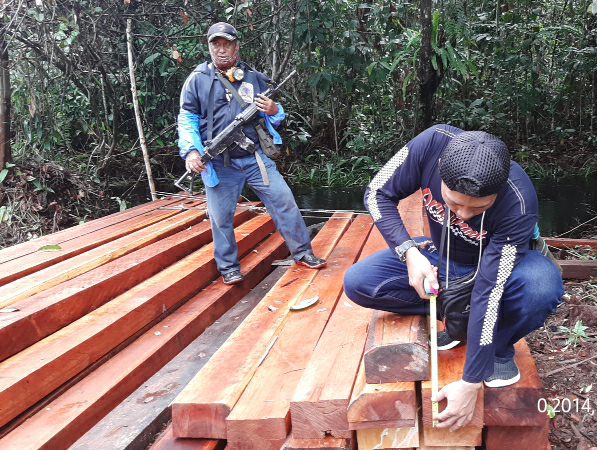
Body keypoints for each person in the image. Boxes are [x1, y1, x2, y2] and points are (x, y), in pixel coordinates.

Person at [343, 124, 564, 431]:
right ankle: (456, 316)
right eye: (454, 202)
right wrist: (409, 253)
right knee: (359, 282)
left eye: (479, 208)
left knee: (541, 287)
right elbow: (376, 192)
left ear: (497, 194)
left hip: (500, 268)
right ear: (439, 175)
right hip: (443, 256)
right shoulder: (430, 144)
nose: (462, 215)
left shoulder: (519, 201)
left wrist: (471, 382)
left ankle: (497, 346)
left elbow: (490, 287)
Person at [177, 22, 326, 285]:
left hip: (256, 158)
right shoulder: (196, 80)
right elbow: (187, 120)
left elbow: (278, 118)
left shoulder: (254, 78)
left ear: (237, 45)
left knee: (284, 202)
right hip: (220, 164)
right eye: (216, 44)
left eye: (227, 44)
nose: (221, 50)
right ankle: (229, 268)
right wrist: (191, 152)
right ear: (209, 47)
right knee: (221, 218)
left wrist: (273, 109)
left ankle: (303, 253)